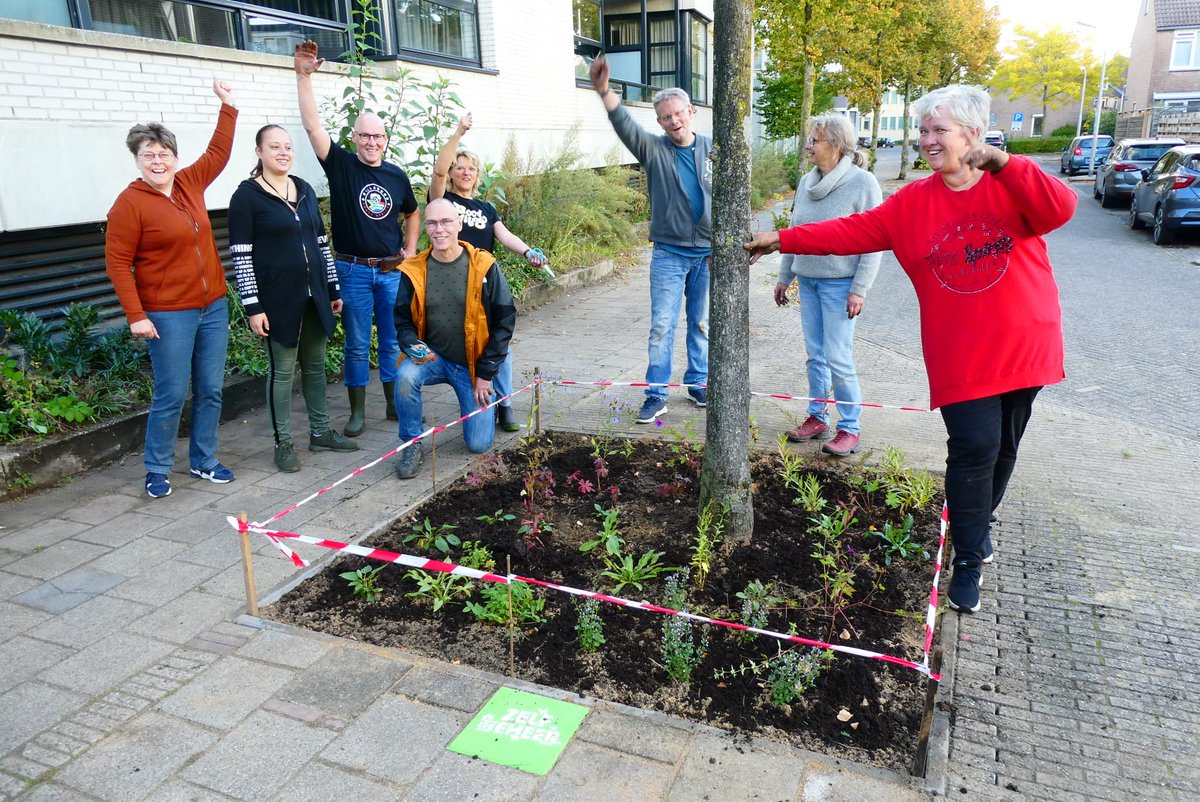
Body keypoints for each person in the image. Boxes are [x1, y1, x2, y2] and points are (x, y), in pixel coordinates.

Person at [746, 85, 1076, 614]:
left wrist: (1006, 162)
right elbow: (849, 231)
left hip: (1024, 341)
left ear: (973, 132)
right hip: (961, 353)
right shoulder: (914, 203)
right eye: (922, 131)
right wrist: (781, 240)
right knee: (973, 448)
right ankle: (967, 558)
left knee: (1005, 445)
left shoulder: (1010, 184)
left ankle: (978, 524)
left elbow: (1061, 208)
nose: (926, 140)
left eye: (937, 130)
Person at [105, 78, 239, 499]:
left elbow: (218, 153)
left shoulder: (189, 183)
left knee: (212, 388)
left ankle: (203, 460)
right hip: (167, 314)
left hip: (212, 306)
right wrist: (136, 315)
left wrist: (228, 106)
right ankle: (157, 468)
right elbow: (117, 263)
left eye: (164, 154)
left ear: (175, 158)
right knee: (172, 392)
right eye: (149, 155)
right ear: (138, 160)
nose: (157, 161)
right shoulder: (129, 204)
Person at [293, 39, 420, 438]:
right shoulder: (342, 166)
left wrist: (411, 249)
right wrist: (303, 76)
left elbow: (413, 211)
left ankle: (390, 403)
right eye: (364, 136)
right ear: (354, 137)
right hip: (352, 271)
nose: (371, 142)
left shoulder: (396, 176)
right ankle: (357, 411)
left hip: (390, 272)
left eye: (377, 137)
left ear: (385, 140)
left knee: (391, 342)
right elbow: (313, 126)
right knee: (357, 344)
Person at [229, 124, 360, 473]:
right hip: (277, 300)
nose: (283, 152)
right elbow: (241, 256)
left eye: (287, 147)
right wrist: (253, 306)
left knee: (316, 367)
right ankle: (283, 442)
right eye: (275, 147)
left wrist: (332, 289)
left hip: (315, 296)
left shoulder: (302, 189)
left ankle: (320, 432)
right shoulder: (246, 197)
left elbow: (320, 243)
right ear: (259, 152)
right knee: (282, 372)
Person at [589, 55, 711, 424]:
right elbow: (624, 125)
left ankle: (699, 381)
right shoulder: (654, 150)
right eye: (665, 117)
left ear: (690, 111)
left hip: (708, 255)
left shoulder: (714, 150)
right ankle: (657, 394)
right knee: (662, 325)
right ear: (659, 121)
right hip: (670, 255)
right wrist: (604, 90)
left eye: (678, 113)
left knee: (701, 322)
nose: (673, 121)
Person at [429, 112, 546, 433]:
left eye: (471, 168)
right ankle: (475, 397)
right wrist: (459, 131)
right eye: (460, 167)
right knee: (468, 341)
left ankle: (504, 404)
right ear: (452, 173)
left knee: (500, 342)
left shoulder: (485, 208)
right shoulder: (443, 201)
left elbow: (504, 235)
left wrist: (528, 251)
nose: (465, 172)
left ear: (477, 175)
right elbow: (437, 170)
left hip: (485, 282)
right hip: (453, 284)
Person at [775, 113, 883, 457]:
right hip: (808, 280)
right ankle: (817, 416)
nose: (808, 146)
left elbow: (875, 241)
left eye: (815, 140)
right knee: (815, 355)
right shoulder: (807, 182)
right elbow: (794, 233)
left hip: (841, 285)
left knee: (838, 357)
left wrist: (859, 289)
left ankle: (850, 427)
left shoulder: (863, 183)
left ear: (836, 145)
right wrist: (784, 276)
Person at [391, 198, 516, 480]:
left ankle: (489, 400)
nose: (439, 229)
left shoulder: (483, 266)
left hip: (472, 366)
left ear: (459, 224)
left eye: (446, 222)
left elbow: (505, 320)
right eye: (432, 223)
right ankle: (411, 444)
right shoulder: (414, 270)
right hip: (433, 358)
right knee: (405, 375)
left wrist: (486, 373)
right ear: (426, 228)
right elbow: (401, 320)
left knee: (478, 445)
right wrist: (412, 345)